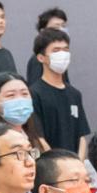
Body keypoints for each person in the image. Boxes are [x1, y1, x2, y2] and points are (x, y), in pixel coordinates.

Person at [29, 26, 89, 156]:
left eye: (65, 50)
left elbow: (82, 136)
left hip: (74, 162)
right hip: (50, 162)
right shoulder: (34, 93)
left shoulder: (74, 94)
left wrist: (79, 161)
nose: (62, 54)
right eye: (56, 50)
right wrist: (55, 162)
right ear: (41, 58)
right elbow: (38, 137)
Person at [23, 7, 69, 84]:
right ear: (43, 31)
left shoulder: (62, 56)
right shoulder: (38, 59)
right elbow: (35, 86)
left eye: (63, 26)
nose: (61, 30)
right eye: (56, 27)